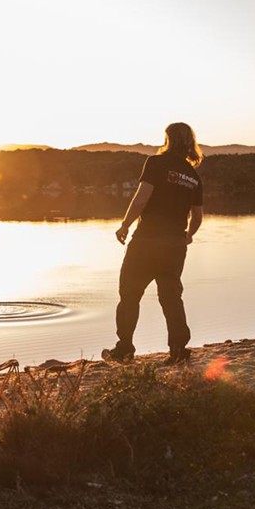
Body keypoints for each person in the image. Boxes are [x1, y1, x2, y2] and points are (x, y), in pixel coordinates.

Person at [102, 122, 204, 366]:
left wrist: (125, 225)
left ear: (168, 139)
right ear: (190, 142)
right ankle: (178, 350)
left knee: (129, 295)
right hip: (175, 246)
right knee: (171, 297)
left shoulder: (156, 163)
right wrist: (188, 235)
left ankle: (124, 349)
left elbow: (141, 199)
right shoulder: (193, 176)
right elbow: (198, 216)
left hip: (147, 242)